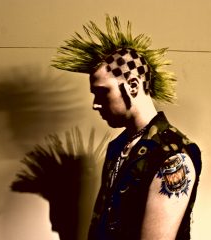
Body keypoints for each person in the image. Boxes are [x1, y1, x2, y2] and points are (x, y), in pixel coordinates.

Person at [52, 15, 202, 240]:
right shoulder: (118, 147)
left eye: (103, 92)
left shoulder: (172, 156)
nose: (95, 104)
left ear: (133, 85)